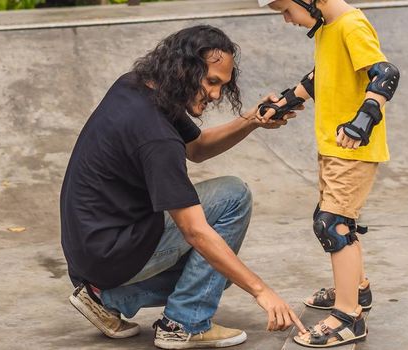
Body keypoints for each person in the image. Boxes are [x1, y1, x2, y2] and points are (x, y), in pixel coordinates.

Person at [59, 25, 307, 349]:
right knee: (233, 197)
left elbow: (198, 147)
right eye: (211, 82)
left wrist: (251, 120)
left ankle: (104, 298)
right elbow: (195, 232)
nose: (217, 95)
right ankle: (185, 323)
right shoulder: (156, 137)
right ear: (185, 70)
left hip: (91, 250)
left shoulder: (139, 86)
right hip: (111, 249)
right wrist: (262, 291)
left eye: (223, 84)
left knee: (215, 275)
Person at [258, 0, 401, 346]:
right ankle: (357, 290)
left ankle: (348, 316)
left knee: (333, 224)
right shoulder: (327, 28)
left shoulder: (351, 25)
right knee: (338, 221)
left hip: (353, 149)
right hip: (332, 148)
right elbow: (323, 75)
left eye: (285, 10)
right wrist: (286, 101)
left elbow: (385, 74)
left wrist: (363, 119)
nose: (287, 19)